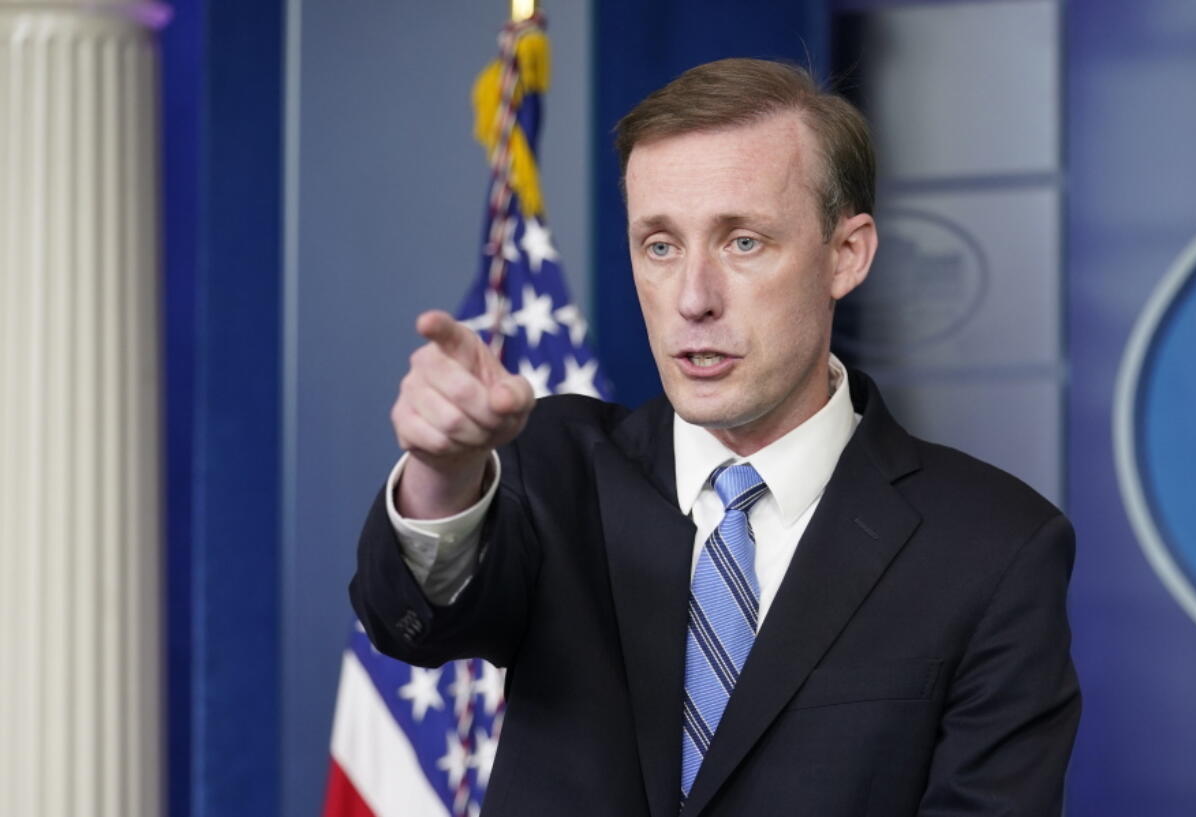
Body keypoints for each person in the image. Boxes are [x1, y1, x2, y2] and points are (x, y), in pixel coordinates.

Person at [351, 58, 1080, 816]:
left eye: (743, 242)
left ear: (846, 254)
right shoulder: (552, 469)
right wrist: (442, 469)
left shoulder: (997, 549)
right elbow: (411, 621)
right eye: (660, 246)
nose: (693, 299)